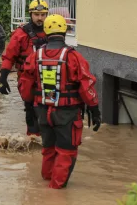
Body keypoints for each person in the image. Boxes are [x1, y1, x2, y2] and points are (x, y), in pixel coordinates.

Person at [18, 14, 101, 189]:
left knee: (48, 149)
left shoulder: (35, 56)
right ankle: (55, 193)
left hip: (42, 112)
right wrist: (94, 109)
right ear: (65, 31)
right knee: (66, 151)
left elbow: (25, 86)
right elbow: (86, 86)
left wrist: (30, 108)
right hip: (66, 113)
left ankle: (45, 186)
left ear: (46, 32)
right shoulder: (74, 57)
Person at [0, 0, 49, 135]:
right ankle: (32, 138)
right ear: (30, 14)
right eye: (36, 15)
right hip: (27, 78)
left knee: (49, 110)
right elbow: (9, 57)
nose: (40, 18)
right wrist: (3, 78)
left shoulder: (52, 32)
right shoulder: (20, 34)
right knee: (30, 108)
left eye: (43, 15)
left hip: (48, 77)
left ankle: (46, 140)